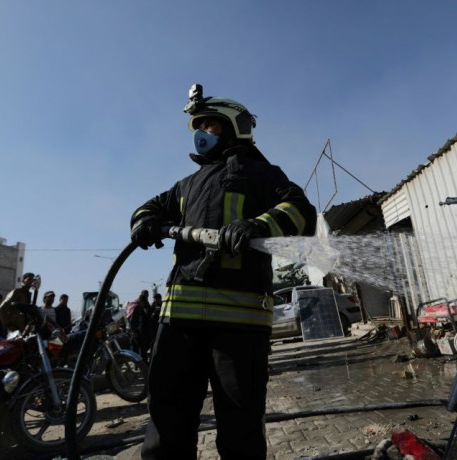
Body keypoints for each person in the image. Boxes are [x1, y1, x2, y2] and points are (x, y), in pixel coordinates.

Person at [130, 84, 317, 459]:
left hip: (239, 323)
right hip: (178, 320)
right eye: (198, 127)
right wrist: (146, 222)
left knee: (240, 424)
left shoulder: (261, 174)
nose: (201, 134)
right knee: (166, 419)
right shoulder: (186, 185)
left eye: (209, 126)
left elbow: (302, 212)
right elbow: (146, 208)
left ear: (234, 128)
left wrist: (257, 225)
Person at [127, 290, 153, 361]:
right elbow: (133, 320)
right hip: (137, 331)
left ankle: (137, 363)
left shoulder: (136, 306)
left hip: (137, 330)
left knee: (138, 348)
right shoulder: (137, 307)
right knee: (141, 348)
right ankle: (141, 363)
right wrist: (133, 331)